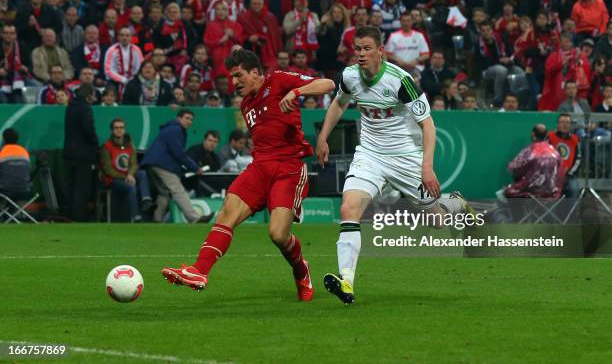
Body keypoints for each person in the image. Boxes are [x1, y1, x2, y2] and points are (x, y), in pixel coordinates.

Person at [315, 26, 473, 305]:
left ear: (380, 51)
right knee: (348, 208)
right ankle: (347, 282)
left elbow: (428, 125)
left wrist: (427, 167)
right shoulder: (349, 76)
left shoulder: (401, 80)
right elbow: (339, 103)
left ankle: (454, 203)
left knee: (437, 221)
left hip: (405, 158)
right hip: (370, 155)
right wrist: (323, 137)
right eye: (357, 49)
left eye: (366, 49)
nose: (361, 54)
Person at [161, 48, 335, 301]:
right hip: (260, 167)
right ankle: (199, 271)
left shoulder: (279, 80)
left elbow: (327, 84)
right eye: (231, 77)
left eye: (238, 75)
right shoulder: (246, 105)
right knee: (228, 210)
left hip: (288, 168)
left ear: (255, 72)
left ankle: (301, 269)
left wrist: (296, 92)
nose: (234, 83)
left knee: (278, 234)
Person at [141, 109, 211, 223]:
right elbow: (178, 152)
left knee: (164, 193)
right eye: (186, 118)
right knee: (177, 190)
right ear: (179, 118)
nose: (189, 121)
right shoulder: (176, 129)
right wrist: (195, 168)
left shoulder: (172, 128)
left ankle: (156, 220)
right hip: (162, 164)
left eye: (191, 119)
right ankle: (194, 218)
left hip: (153, 163)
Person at [100, 118, 155, 222]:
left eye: (121, 127)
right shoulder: (106, 147)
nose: (119, 130)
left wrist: (130, 174)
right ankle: (136, 217)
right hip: (113, 180)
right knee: (131, 187)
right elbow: (108, 170)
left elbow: (134, 163)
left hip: (127, 175)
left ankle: (146, 201)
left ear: (124, 130)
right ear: (112, 130)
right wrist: (127, 176)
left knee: (142, 173)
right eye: (116, 128)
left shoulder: (129, 144)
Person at [63, 83, 99, 222]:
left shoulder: (70, 108)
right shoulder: (85, 109)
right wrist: (95, 141)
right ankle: (80, 217)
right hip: (83, 154)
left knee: (71, 186)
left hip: (69, 153)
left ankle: (69, 215)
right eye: (93, 95)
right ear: (89, 95)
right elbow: (87, 130)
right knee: (82, 187)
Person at [504, 124, 563, 198]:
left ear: (533, 135)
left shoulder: (529, 151)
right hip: (551, 193)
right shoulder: (555, 153)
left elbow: (516, 170)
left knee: (507, 192)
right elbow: (560, 174)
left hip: (530, 192)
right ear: (546, 135)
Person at [548, 113, 581, 198]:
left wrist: (569, 174)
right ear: (558, 124)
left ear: (570, 125)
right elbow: (544, 157)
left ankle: (570, 212)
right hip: (551, 174)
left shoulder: (575, 139)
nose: (564, 125)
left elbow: (578, 159)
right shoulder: (550, 136)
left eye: (567, 123)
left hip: (569, 175)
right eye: (562, 122)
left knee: (574, 188)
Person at [0, 128, 32, 198]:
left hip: (6, 189)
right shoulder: (24, 151)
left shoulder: (1, 151)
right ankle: (12, 208)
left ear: (4, 139)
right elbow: (28, 170)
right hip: (25, 189)